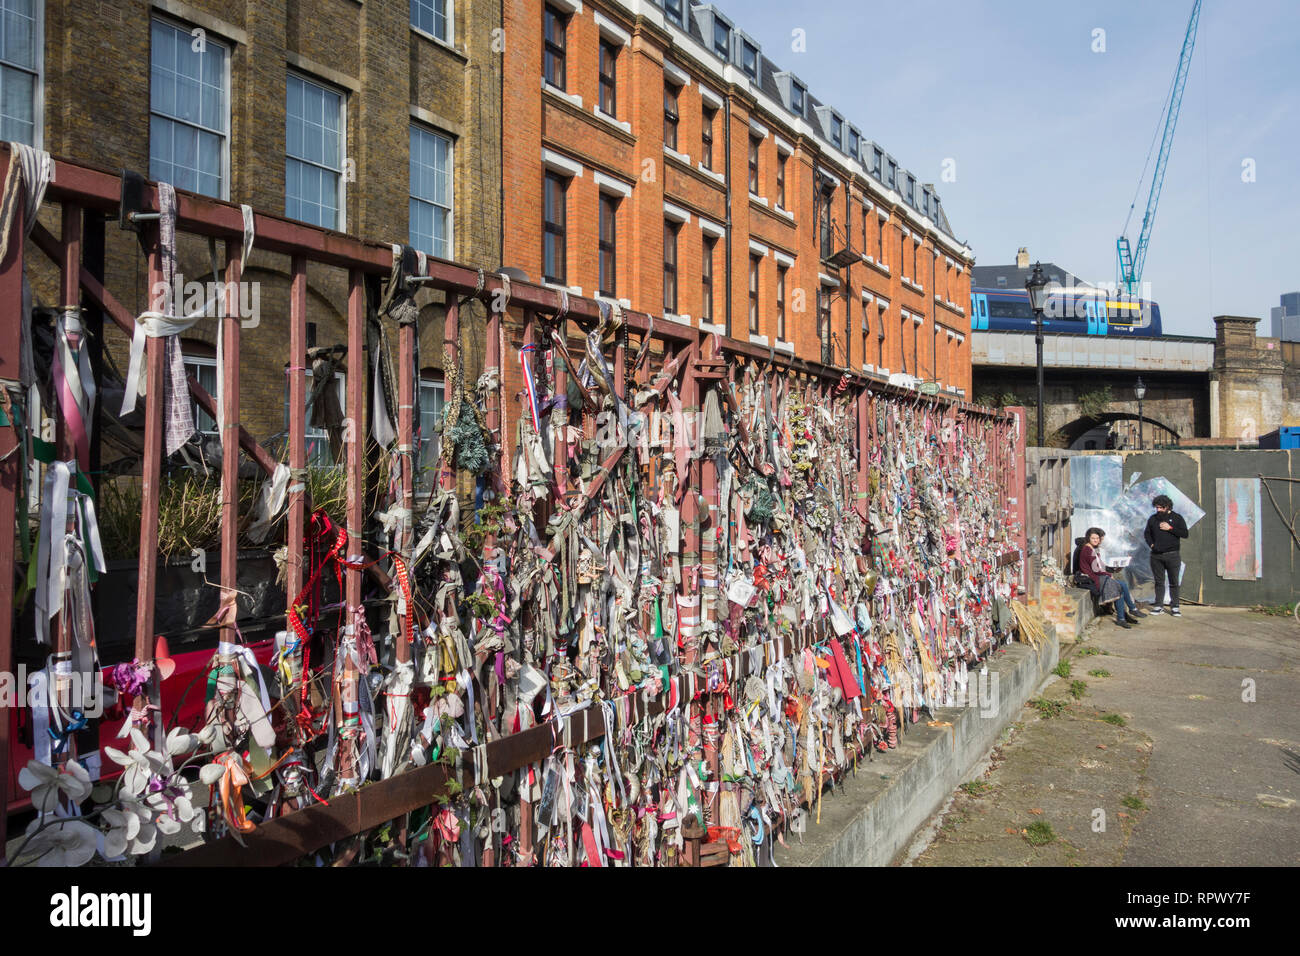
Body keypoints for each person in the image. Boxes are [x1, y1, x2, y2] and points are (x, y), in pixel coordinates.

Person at [1078, 528, 1145, 629]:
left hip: (1098, 575)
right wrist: (1109, 575)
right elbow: (1096, 569)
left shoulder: (1093, 549)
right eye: (1093, 538)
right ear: (1088, 538)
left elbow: (1100, 565)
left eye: (1097, 538)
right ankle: (1128, 611)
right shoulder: (1088, 550)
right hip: (1092, 578)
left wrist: (1113, 569)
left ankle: (1124, 616)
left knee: (1121, 586)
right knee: (1120, 586)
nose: (1096, 540)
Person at [1143, 494, 1188, 617]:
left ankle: (1175, 607)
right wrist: (1152, 545)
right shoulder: (1153, 519)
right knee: (1159, 582)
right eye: (1156, 507)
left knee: (1174, 582)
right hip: (1156, 556)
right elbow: (1147, 534)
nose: (1158, 510)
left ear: (1167, 507)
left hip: (1172, 555)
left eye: (1161, 508)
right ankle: (1158, 606)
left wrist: (1170, 528)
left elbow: (1185, 533)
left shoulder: (1177, 518)